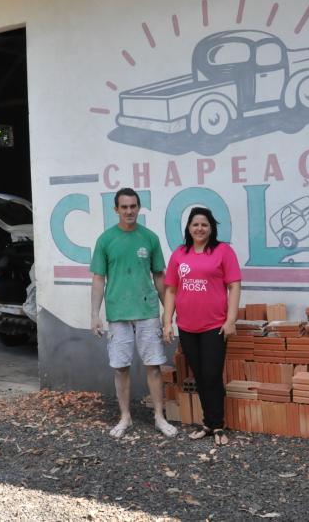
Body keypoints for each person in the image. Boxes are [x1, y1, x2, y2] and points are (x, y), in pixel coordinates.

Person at [91, 188, 178, 439]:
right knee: (120, 367)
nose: (129, 211)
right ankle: (125, 417)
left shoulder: (149, 238)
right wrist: (94, 315)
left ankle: (159, 417)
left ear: (139, 208)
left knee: (153, 365)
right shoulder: (105, 240)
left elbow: (160, 276)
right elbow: (98, 279)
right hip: (118, 312)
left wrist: (168, 315)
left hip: (147, 310)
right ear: (116, 209)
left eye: (133, 206)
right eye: (124, 207)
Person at [162, 207, 241, 445]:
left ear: (211, 228)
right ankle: (207, 423)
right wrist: (167, 322)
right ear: (188, 228)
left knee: (212, 375)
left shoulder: (223, 251)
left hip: (214, 326)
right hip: (187, 326)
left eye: (204, 225)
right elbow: (171, 290)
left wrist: (231, 320)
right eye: (195, 224)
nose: (199, 228)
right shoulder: (179, 254)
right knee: (199, 376)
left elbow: (234, 286)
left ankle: (217, 425)